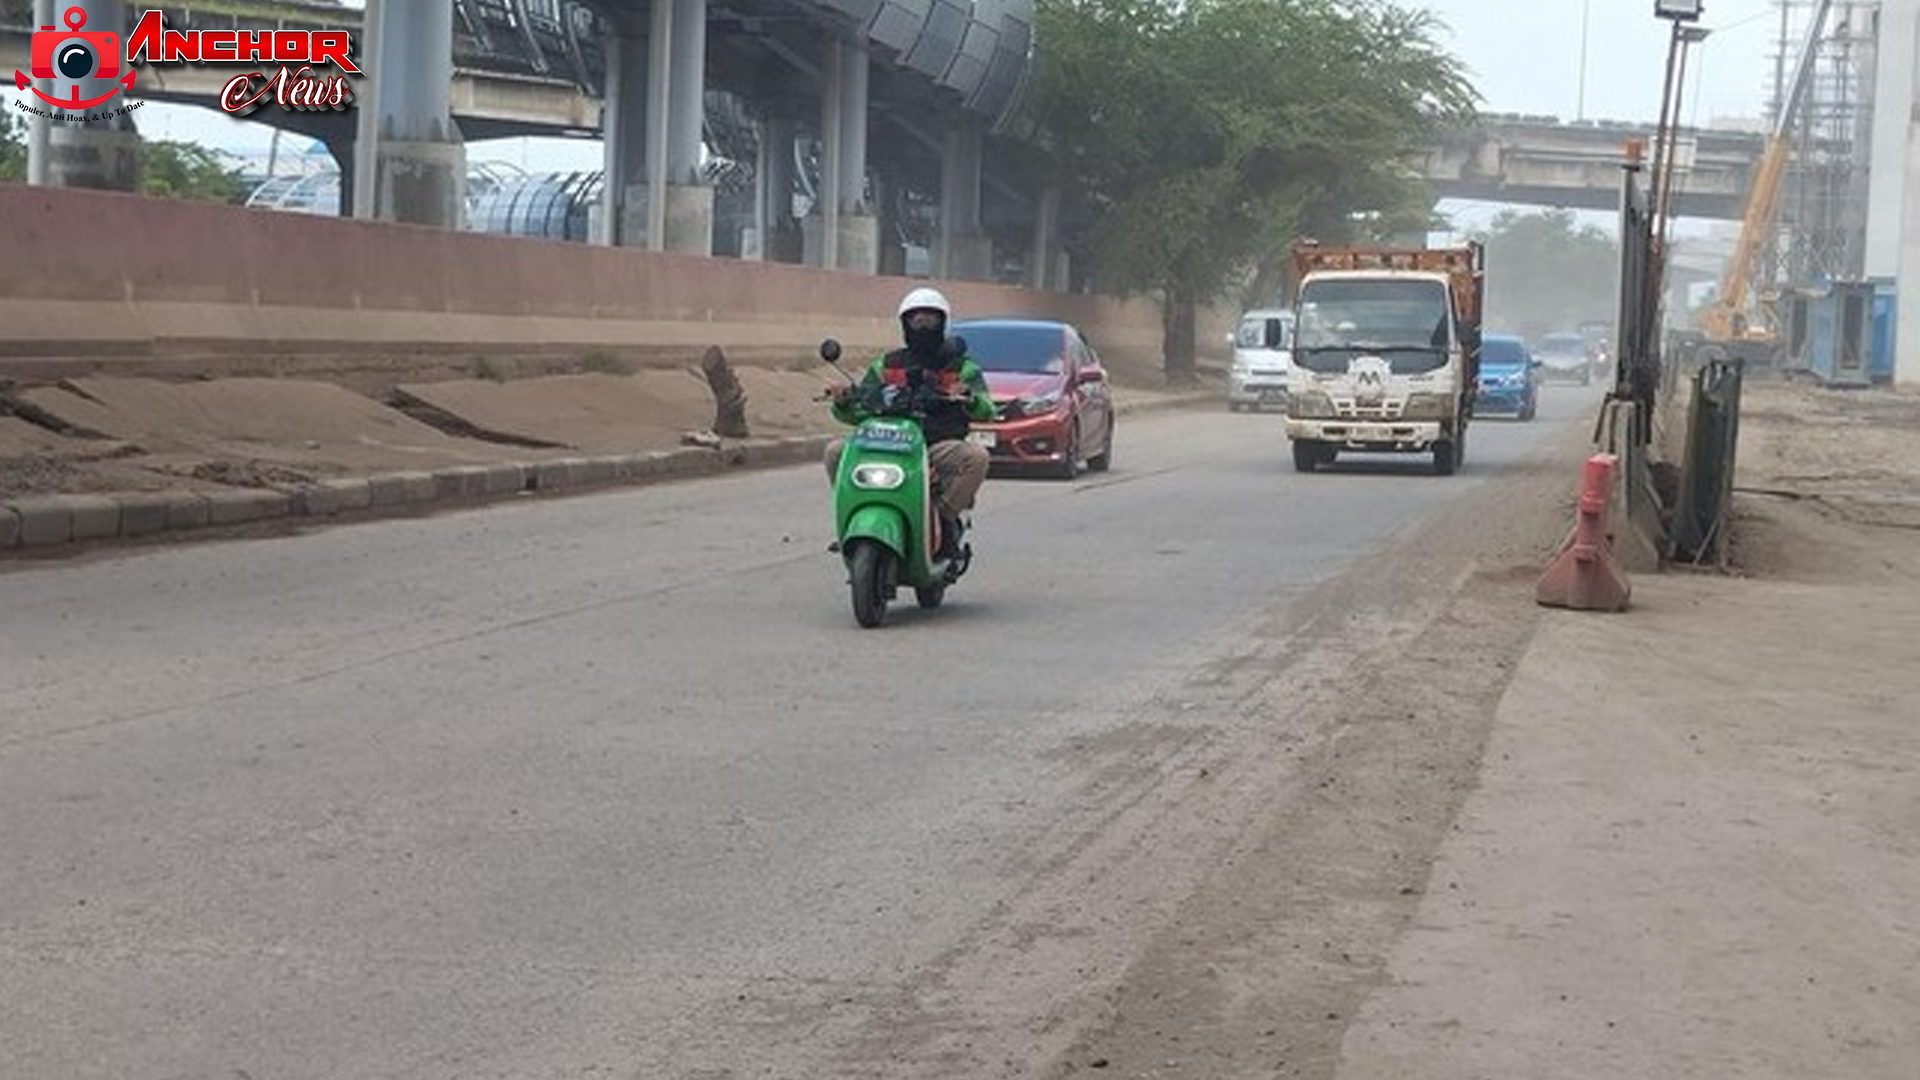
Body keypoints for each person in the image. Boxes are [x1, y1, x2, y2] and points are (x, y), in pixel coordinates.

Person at [824, 287, 996, 558]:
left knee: (976, 457)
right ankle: (849, 516)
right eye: (916, 320)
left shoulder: (962, 367)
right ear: (905, 323)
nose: (923, 326)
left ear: (944, 323)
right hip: (886, 442)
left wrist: (967, 397)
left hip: (935, 445)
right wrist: (844, 399)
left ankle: (945, 521)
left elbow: (987, 409)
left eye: (930, 320)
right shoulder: (886, 365)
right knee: (835, 451)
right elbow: (856, 412)